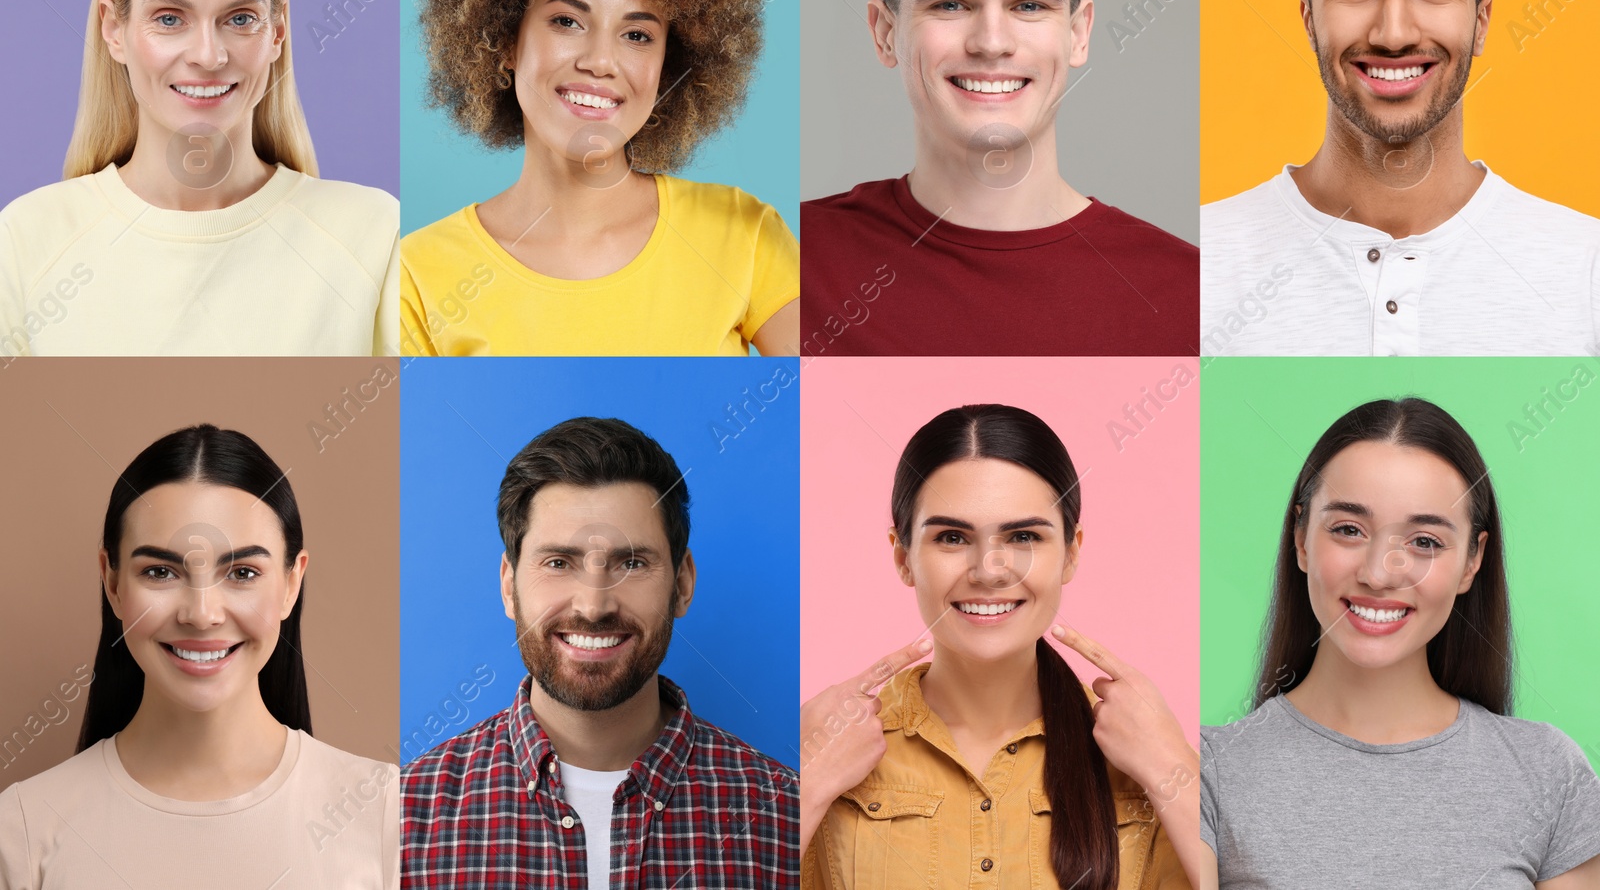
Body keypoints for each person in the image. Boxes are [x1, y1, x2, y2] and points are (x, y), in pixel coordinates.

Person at [400, 0, 799, 357]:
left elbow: (821, 405)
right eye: (567, 21)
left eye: (637, 35)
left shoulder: (744, 236)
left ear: (666, 65)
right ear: (504, 41)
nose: (601, 61)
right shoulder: (420, 272)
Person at [799, 0, 1197, 357]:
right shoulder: (793, 259)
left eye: (1028, 4)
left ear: (1078, 34)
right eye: (950, 4)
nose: (991, 42)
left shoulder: (1191, 293)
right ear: (885, 34)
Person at [1201, 398, 1600, 887]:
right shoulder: (1205, 769)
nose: (1377, 573)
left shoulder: (1548, 773)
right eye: (1348, 530)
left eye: (1425, 541)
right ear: (1301, 539)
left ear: (1472, 561)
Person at [800, 404, 1202, 889]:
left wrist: (1174, 771)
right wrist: (809, 783)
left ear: (1071, 553)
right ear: (903, 557)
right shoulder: (829, 745)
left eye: (1023, 536)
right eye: (952, 537)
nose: (989, 570)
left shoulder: (1144, 755)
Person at [1201, 0, 1600, 356]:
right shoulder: (1203, 261)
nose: (1393, 35)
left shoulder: (1587, 268)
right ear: (1309, 20)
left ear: (1480, 23)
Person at [0, 0, 399, 358]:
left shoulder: (374, 233)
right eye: (170, 19)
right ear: (113, 29)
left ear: (277, 30)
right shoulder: (26, 238)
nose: (209, 56)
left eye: (240, 19)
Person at [400, 416, 797, 886]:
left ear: (683, 583)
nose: (593, 605)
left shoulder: (785, 814)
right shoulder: (403, 817)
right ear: (509, 586)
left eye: (631, 562)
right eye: (557, 562)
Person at [0, 425, 398, 888]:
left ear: (292, 583)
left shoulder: (385, 811)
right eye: (161, 572)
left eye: (243, 572)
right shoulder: (23, 830)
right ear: (112, 582)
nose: (202, 614)